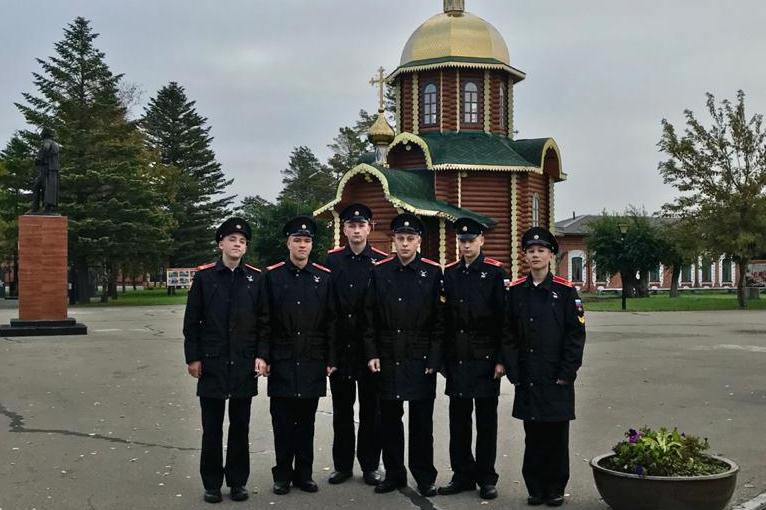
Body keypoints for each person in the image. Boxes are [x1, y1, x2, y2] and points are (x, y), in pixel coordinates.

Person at [183, 217, 263, 504]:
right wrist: (193, 358)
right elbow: (192, 322)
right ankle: (212, 484)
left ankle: (238, 482)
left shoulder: (255, 278)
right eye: (232, 240)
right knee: (212, 428)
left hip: (243, 364)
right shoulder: (205, 278)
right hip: (213, 363)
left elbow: (263, 322)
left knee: (240, 427)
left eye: (242, 241)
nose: (237, 244)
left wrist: (261, 356)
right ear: (221, 244)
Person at [505, 227, 586, 507]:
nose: (536, 255)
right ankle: (536, 487)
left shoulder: (565, 292)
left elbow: (575, 336)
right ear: (525, 256)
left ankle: (555, 487)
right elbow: (509, 335)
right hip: (527, 375)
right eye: (531, 251)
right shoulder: (515, 292)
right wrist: (514, 372)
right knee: (533, 435)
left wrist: (567, 372)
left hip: (556, 376)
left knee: (556, 435)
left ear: (551, 255)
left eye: (541, 250)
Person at [364, 213, 443, 497]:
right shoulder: (380, 271)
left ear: (419, 242)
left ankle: (424, 476)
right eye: (401, 239)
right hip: (387, 356)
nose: (406, 244)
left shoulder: (433, 273)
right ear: (393, 241)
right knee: (389, 422)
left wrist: (434, 359)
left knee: (422, 423)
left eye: (411, 239)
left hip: (420, 358)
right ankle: (394, 474)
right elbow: (369, 317)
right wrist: (371, 352)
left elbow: (439, 321)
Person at [259, 216, 337, 495]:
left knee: (306, 423)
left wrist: (331, 358)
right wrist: (264, 356)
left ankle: (304, 474)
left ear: (311, 245)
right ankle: (282, 475)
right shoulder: (272, 276)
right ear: (288, 243)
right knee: (282, 423)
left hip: (312, 360)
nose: (302, 245)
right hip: (281, 359)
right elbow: (265, 320)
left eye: (306, 241)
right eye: (297, 240)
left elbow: (331, 321)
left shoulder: (323, 277)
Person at [438, 217, 509, 500]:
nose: (466, 246)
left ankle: (486, 477)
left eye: (471, 241)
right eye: (462, 241)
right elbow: (443, 319)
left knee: (486, 421)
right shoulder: (451, 274)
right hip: (458, 358)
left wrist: (502, 359)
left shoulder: (494, 273)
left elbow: (505, 321)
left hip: (485, 359)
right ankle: (462, 474)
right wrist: (443, 358)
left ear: (482, 241)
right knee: (459, 421)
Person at [325, 204, 387, 486]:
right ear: (345, 229)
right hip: (341, 349)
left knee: (371, 412)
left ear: (369, 228)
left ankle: (371, 465)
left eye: (361, 225)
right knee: (342, 412)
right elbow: (326, 308)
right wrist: (329, 353)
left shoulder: (382, 261)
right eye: (351, 225)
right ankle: (342, 465)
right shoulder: (332, 261)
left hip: (370, 351)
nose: (356, 230)